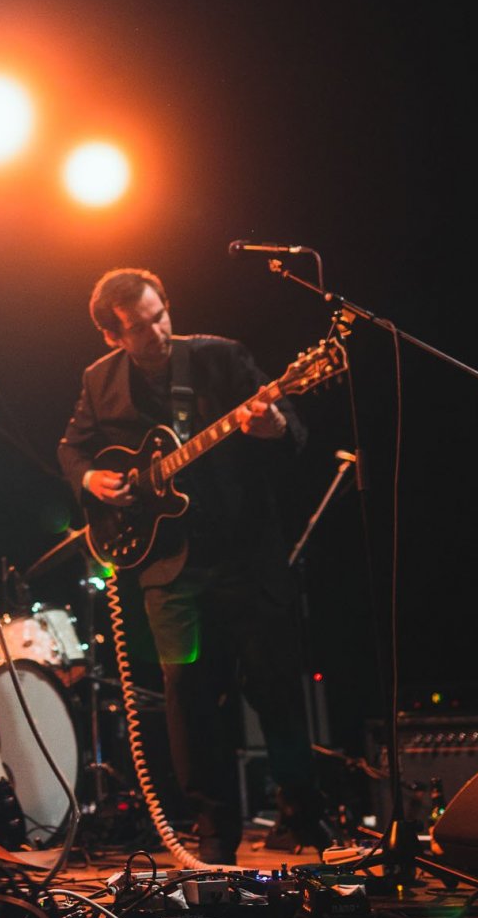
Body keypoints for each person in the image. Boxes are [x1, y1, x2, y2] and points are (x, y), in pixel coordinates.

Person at [57, 267, 331, 864]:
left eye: (161, 316)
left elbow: (296, 440)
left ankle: (301, 814)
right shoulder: (98, 381)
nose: (157, 331)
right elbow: (72, 446)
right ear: (113, 335)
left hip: (243, 554)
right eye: (140, 326)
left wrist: (275, 424)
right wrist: (91, 479)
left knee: (275, 686)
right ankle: (213, 831)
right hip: (166, 566)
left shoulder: (222, 358)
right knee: (188, 694)